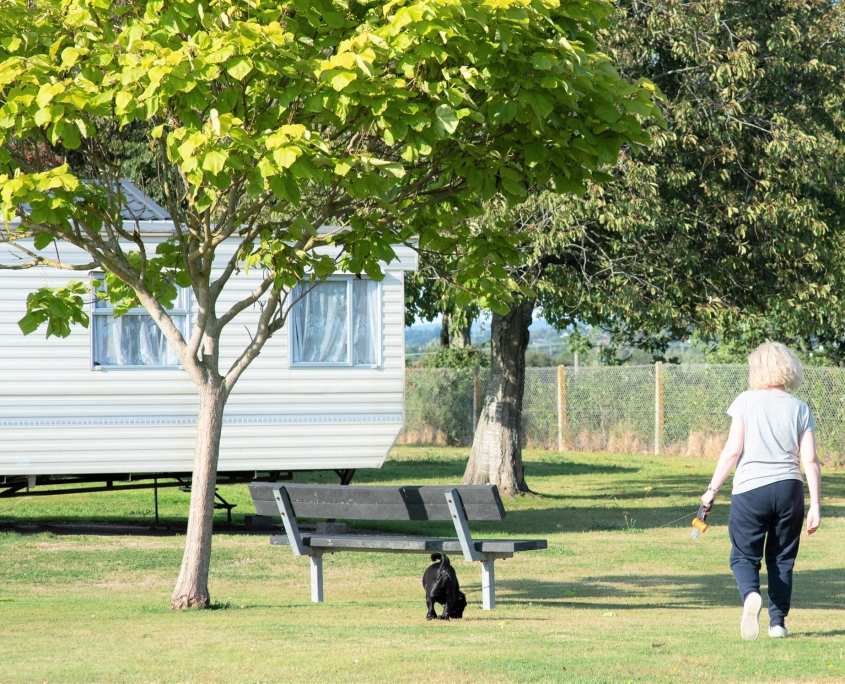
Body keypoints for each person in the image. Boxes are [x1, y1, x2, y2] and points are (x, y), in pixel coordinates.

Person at [701, 342, 821, 641]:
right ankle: (777, 623)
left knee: (743, 555)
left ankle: (750, 595)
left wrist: (712, 489)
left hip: (751, 489)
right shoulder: (800, 408)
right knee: (782, 559)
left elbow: (732, 451)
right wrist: (816, 505)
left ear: (757, 369)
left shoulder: (745, 401)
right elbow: (810, 460)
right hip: (790, 488)